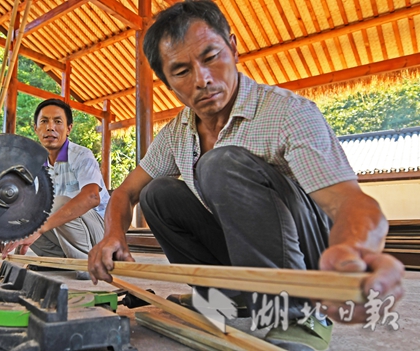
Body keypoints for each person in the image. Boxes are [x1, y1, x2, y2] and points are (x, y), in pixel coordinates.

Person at [87, 1, 404, 350]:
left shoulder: (287, 112)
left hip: (311, 261)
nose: (202, 79)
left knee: (219, 164)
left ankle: (293, 317)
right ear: (168, 84)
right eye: (181, 71)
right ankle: (226, 301)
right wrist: (113, 234)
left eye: (210, 57)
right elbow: (126, 191)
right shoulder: (176, 133)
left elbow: (348, 201)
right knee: (157, 195)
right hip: (249, 258)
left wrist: (353, 251)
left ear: (233, 48)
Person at [0, 99, 110, 280]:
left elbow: (92, 197)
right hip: (68, 233)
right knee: (22, 210)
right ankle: (57, 261)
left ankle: (87, 264)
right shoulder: (33, 165)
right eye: (44, 121)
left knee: (57, 202)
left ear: (69, 128)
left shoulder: (81, 156)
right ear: (36, 128)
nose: (50, 127)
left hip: (101, 233)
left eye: (58, 122)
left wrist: (40, 229)